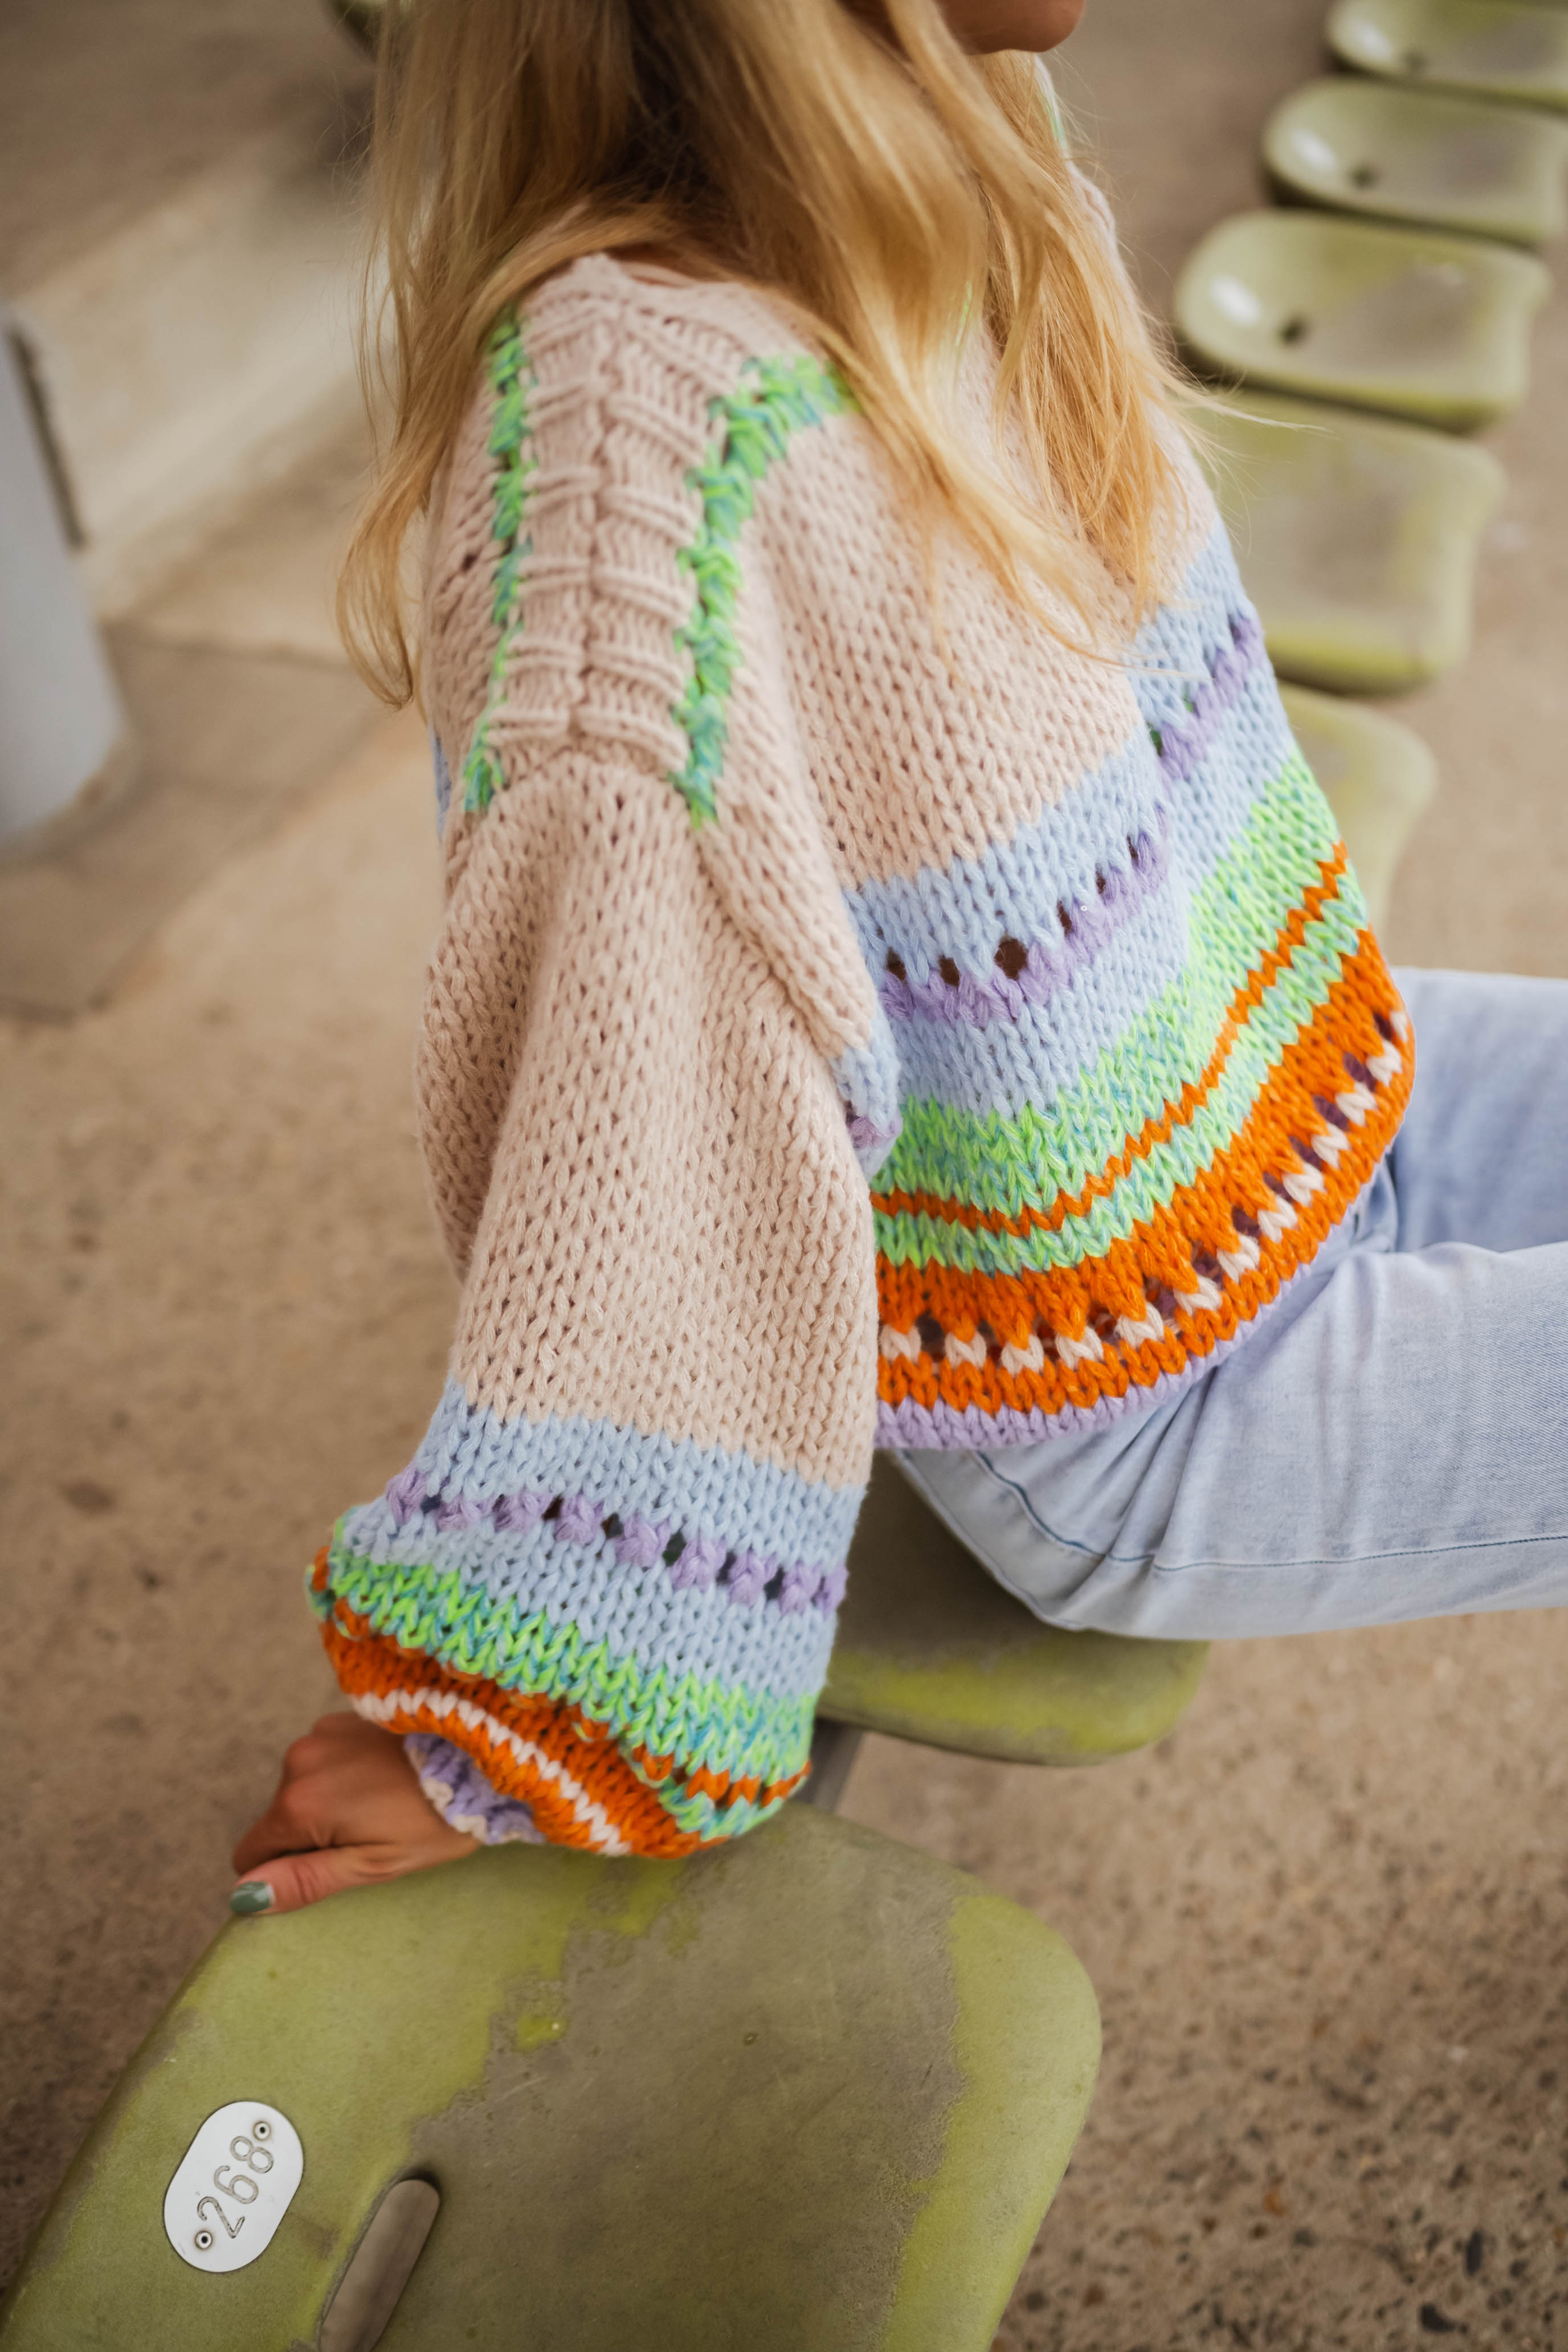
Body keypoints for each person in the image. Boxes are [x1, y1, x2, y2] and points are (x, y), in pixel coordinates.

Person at [230, 0, 1565, 1917]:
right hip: (1131, 1400)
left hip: (1285, 1108)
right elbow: (646, 1145)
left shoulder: (966, 157)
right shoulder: (642, 458)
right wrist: (516, 1727)